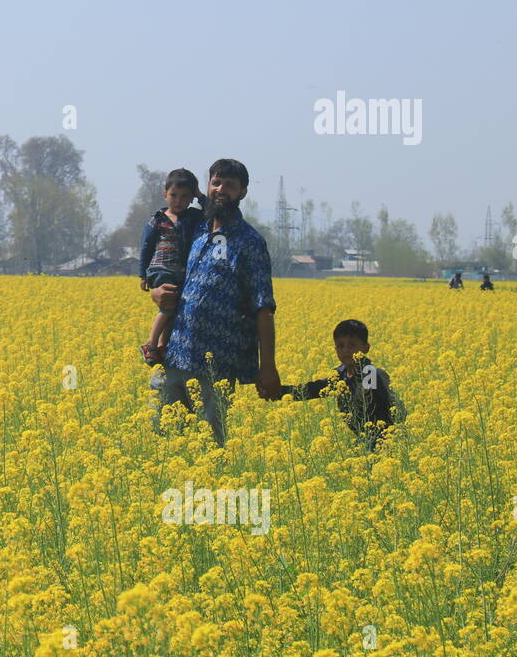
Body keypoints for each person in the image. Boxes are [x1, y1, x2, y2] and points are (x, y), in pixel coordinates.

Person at [148, 158, 280, 446]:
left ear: (243, 192)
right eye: (216, 183)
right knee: (162, 442)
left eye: (230, 185)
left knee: (210, 446)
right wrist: (154, 291)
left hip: (216, 365)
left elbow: (263, 308)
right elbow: (166, 269)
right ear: (207, 187)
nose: (221, 190)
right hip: (175, 355)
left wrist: (268, 367)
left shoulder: (249, 242)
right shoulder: (193, 228)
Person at [275, 319, 406, 451]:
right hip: (364, 438)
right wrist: (279, 392)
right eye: (340, 346)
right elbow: (313, 389)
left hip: (384, 439)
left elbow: (382, 405)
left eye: (352, 345)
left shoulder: (370, 373)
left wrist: (398, 437)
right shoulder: (340, 374)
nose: (346, 351)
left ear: (366, 348)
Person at [138, 169, 206, 366]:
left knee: (173, 308)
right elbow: (145, 247)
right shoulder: (157, 219)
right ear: (164, 194)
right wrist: (143, 275)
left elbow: (211, 211)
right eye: (173, 195)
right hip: (161, 269)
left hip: (181, 272)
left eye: (185, 196)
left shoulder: (193, 217)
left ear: (192, 197)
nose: (178, 200)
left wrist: (200, 195)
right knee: (167, 307)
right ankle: (151, 344)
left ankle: (162, 346)